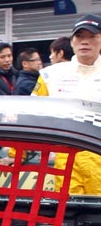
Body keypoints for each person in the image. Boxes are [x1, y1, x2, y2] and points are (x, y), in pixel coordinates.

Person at [32, 15, 101, 194]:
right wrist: (14, 155)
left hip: (99, 157)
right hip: (66, 158)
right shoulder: (51, 75)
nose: (85, 41)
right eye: (79, 36)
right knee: (69, 209)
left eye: (92, 36)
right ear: (72, 41)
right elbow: (33, 115)